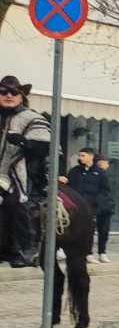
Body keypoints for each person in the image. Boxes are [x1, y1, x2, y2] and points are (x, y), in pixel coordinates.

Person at [0, 76, 52, 267]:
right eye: (3, 92)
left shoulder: (32, 117)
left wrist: (24, 142)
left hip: (21, 172)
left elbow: (46, 147)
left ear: (21, 96)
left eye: (13, 92)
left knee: (14, 201)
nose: (8, 96)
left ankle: (24, 249)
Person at [60, 148, 108, 262]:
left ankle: (89, 253)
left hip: (91, 206)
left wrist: (97, 203)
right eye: (79, 155)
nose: (80, 158)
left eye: (83, 155)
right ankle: (64, 250)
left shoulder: (100, 173)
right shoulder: (74, 171)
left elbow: (105, 190)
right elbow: (69, 187)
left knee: (89, 230)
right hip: (75, 206)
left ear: (91, 156)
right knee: (70, 228)